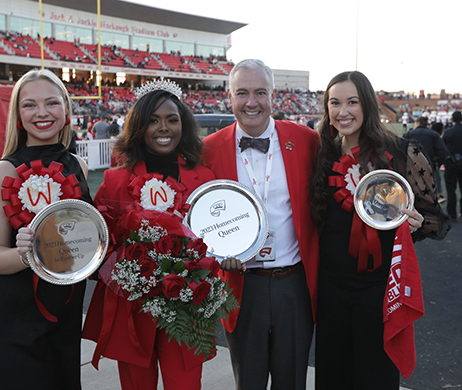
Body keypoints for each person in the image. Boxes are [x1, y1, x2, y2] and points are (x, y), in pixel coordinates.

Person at [309, 71, 451, 390]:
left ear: (369, 106)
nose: (342, 111)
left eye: (352, 102)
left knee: (375, 377)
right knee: (333, 376)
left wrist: (415, 223)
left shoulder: (401, 153)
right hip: (331, 288)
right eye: (335, 103)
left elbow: (435, 220)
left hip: (378, 290)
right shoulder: (322, 153)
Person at [82, 78, 216, 390]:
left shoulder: (204, 177)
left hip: (185, 307)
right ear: (139, 126)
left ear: (183, 123)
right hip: (132, 310)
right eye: (153, 120)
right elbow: (99, 241)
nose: (163, 128)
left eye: (172, 119)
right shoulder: (116, 180)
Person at [203, 59, 319, 389]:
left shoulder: (307, 140)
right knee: (248, 382)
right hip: (241, 285)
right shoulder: (208, 150)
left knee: (292, 380)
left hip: (293, 283)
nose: (251, 102)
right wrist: (216, 253)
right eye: (242, 93)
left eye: (259, 93)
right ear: (229, 97)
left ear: (273, 96)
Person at [0, 69, 92, 390]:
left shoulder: (77, 165)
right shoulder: (2, 172)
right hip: (15, 324)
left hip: (64, 322)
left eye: (52, 103)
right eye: (29, 105)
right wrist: (27, 254)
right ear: (18, 116)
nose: (42, 112)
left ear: (66, 112)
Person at [442, 110, 462, 222]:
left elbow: (443, 148)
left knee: (451, 190)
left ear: (452, 120)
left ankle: (452, 214)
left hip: (452, 163)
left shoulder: (448, 132)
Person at [431, 122, 447, 202]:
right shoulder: (435, 137)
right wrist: (440, 162)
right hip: (433, 161)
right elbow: (442, 151)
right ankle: (438, 195)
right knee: (436, 179)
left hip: (425, 161)